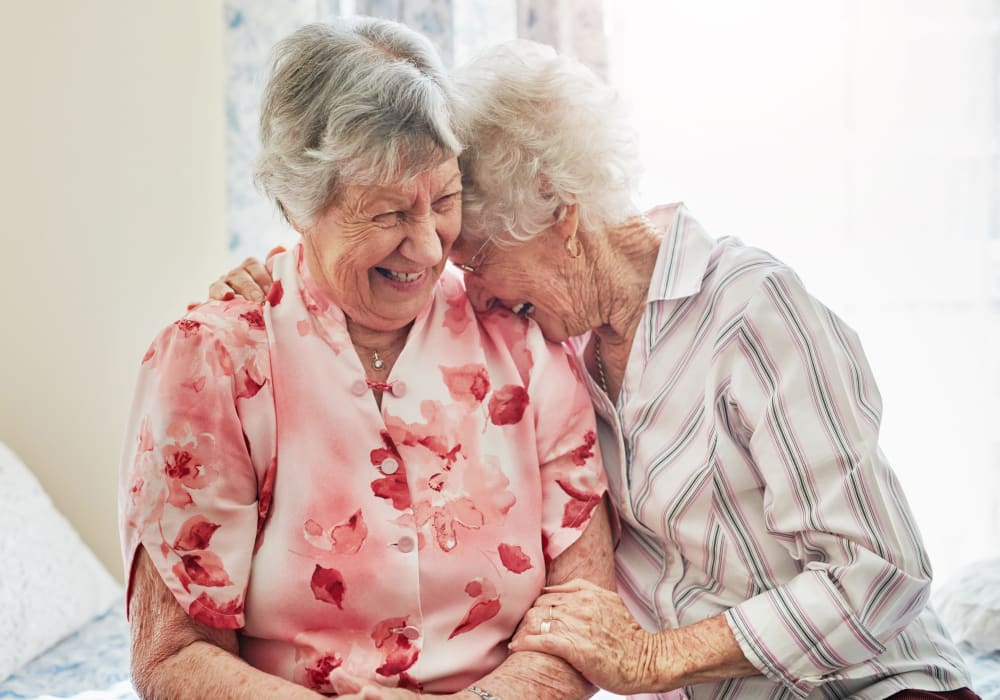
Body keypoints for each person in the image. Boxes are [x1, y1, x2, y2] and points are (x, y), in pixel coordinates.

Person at [219, 38, 979, 700]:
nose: (469, 288)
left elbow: (882, 571)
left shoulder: (751, 310)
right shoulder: (551, 348)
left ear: (559, 212)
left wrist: (656, 657)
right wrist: (284, 284)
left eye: (476, 256)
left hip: (872, 687)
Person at [119, 20, 614, 700]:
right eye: (386, 215)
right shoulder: (215, 362)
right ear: (300, 205)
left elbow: (584, 612)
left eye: (442, 201)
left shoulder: (520, 343)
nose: (428, 248)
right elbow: (173, 656)